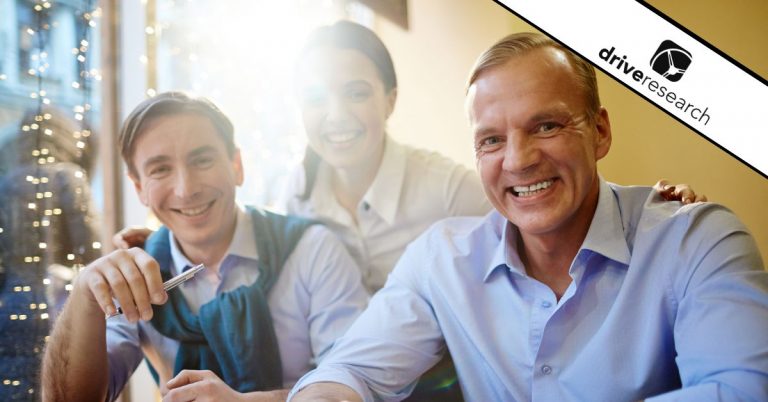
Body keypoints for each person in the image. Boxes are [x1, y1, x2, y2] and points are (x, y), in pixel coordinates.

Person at [114, 22, 705, 401]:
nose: (336, 114)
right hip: (356, 376)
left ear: (389, 100)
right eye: (316, 97)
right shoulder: (285, 195)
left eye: (356, 92)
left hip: (445, 385)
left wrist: (646, 208)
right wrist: (157, 239)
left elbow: (541, 194)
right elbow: (222, 226)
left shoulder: (447, 192)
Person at [287, 32, 768, 402]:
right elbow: (350, 371)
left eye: (546, 125)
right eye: (491, 140)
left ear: (599, 132)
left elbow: (743, 388)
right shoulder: (441, 260)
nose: (518, 160)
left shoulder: (697, 239)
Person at [41, 92, 369, 402]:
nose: (186, 190)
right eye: (161, 170)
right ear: (140, 187)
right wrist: (84, 294)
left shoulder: (313, 249)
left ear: (237, 166)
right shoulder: (135, 276)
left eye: (202, 160)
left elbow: (361, 384)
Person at [0, 107, 101, 401]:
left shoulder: (6, 185)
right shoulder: (68, 177)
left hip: (11, 307)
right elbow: (92, 251)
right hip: (59, 303)